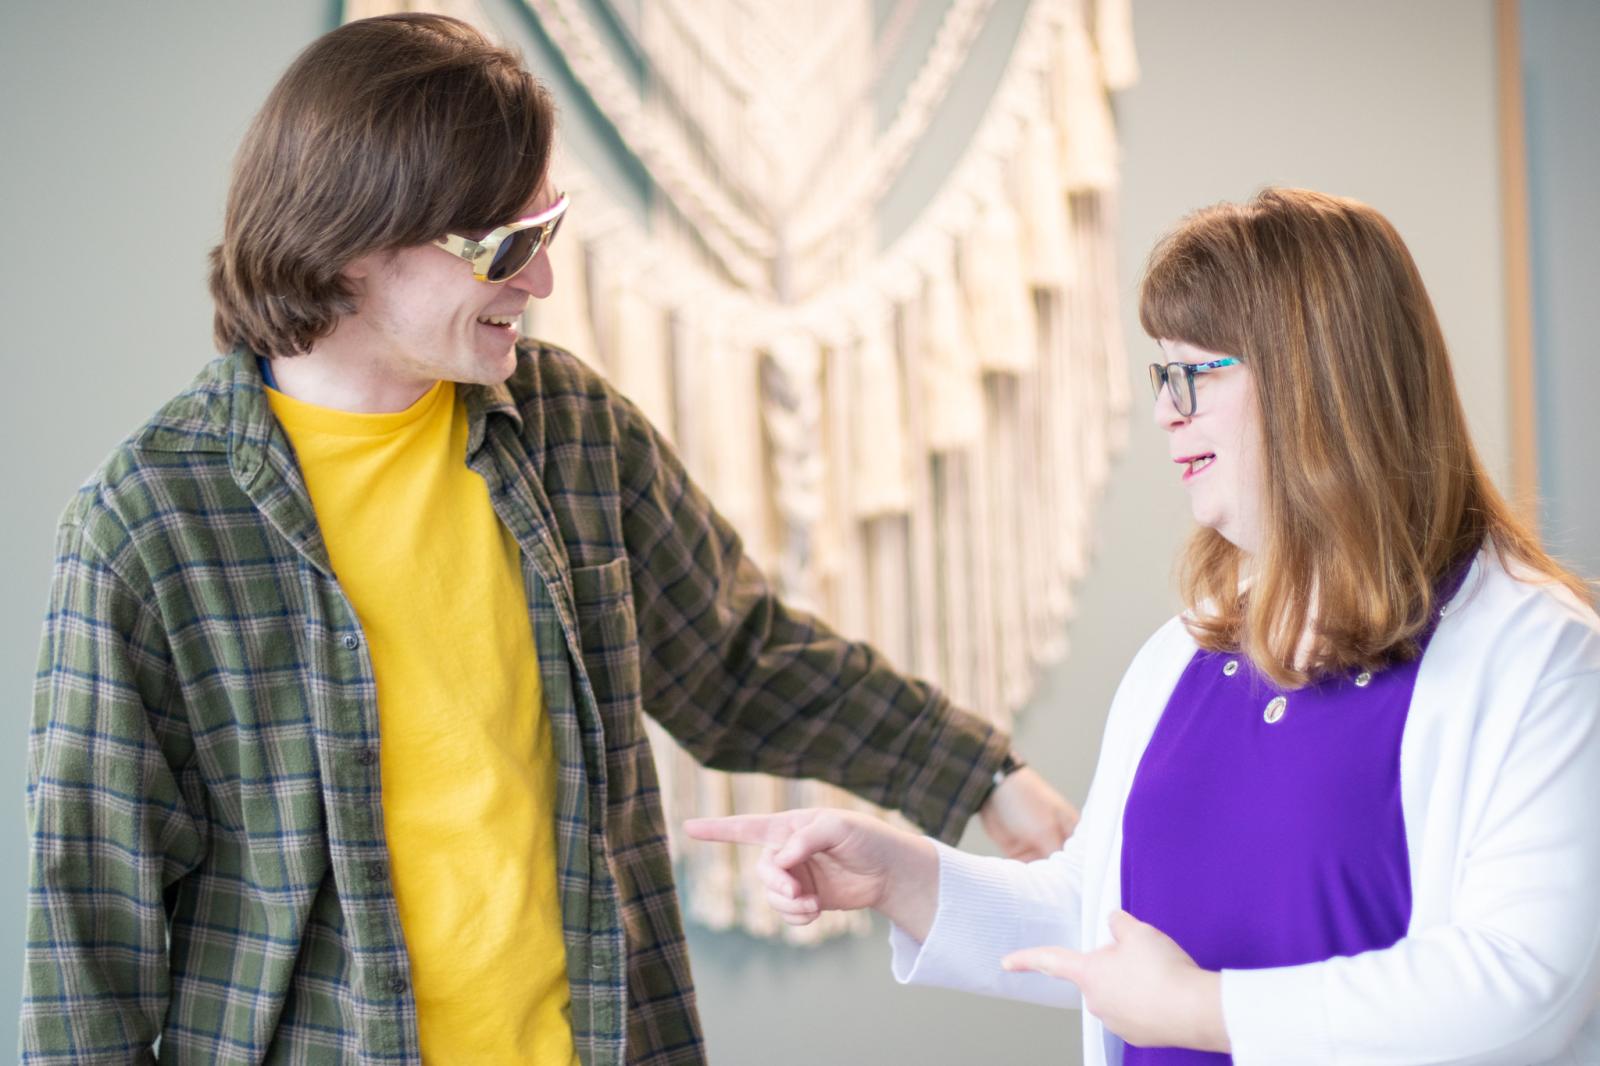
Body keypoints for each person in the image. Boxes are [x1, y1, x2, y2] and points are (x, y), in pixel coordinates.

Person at [21, 14, 1078, 1065]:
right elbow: (88, 930)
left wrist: (989, 778)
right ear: (354, 243)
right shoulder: (150, 523)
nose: (543, 282)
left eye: (551, 229)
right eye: (510, 247)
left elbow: (738, 659)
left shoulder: (567, 428)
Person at [687, 187, 1600, 1065]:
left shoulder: (1540, 655)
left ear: (1320, 377)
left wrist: (1205, 1013)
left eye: (1192, 372)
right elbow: (1104, 921)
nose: (1165, 409)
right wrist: (904, 879)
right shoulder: (1186, 656)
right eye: (1159, 373)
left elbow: (1526, 988)